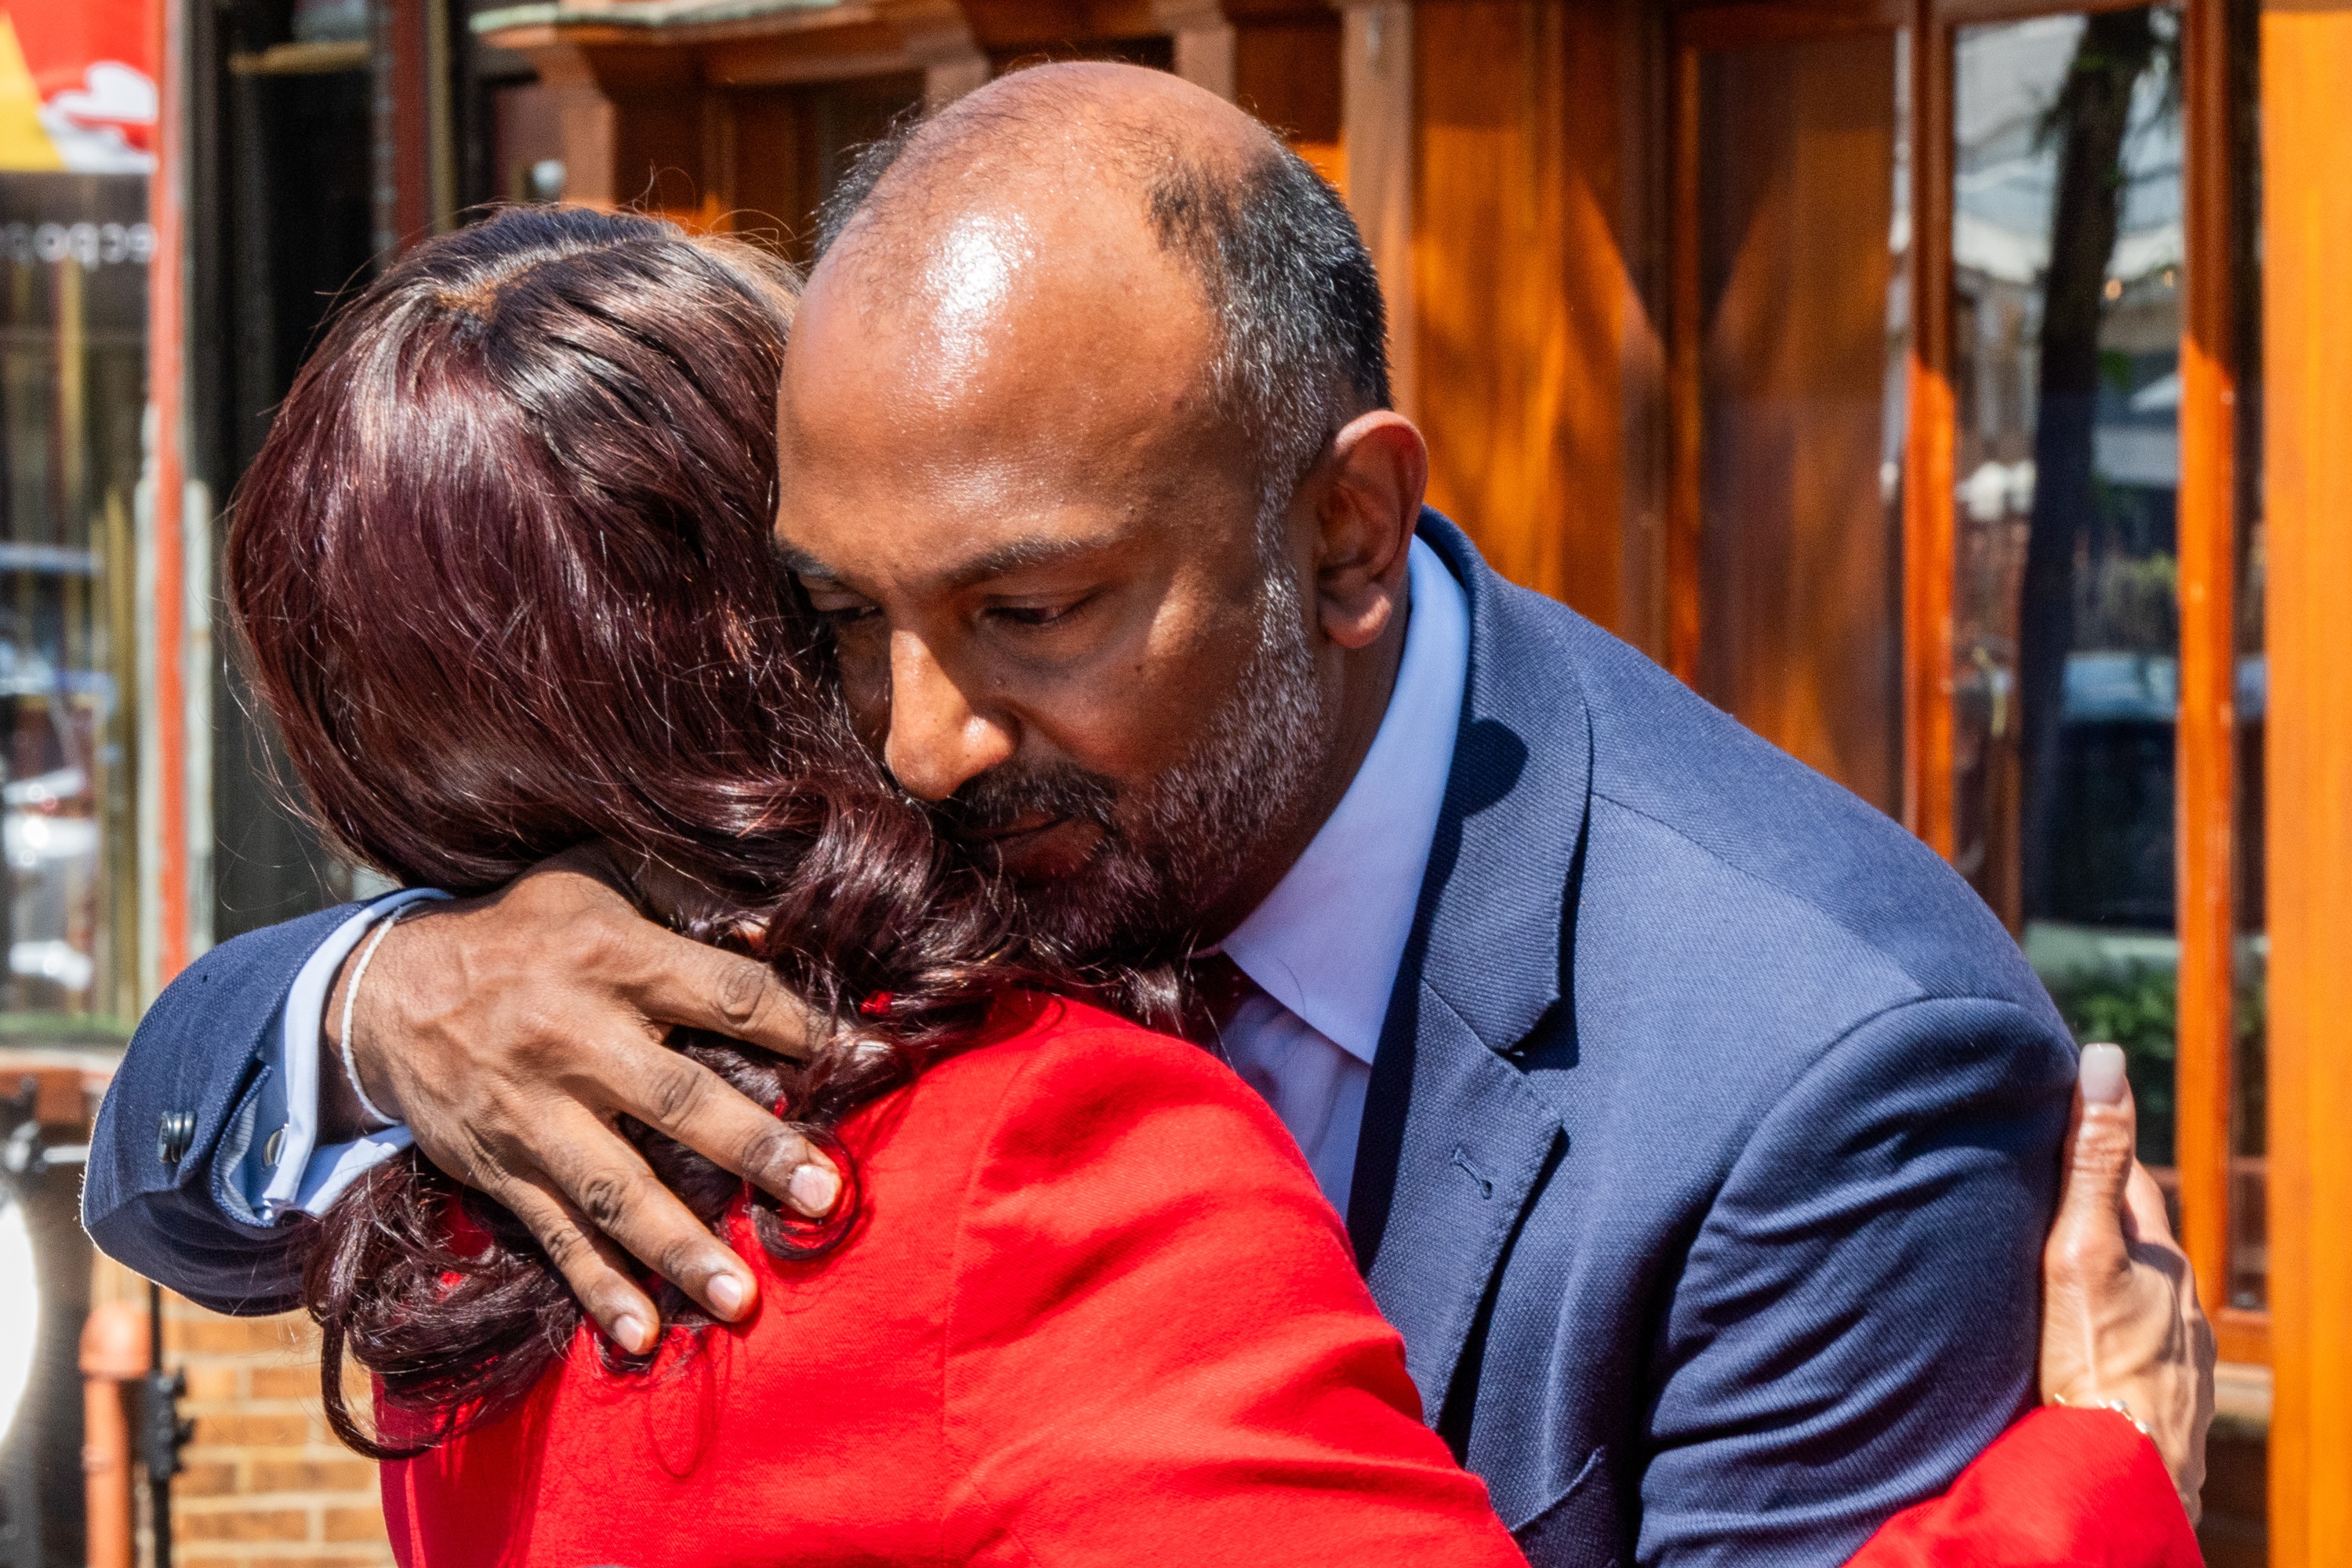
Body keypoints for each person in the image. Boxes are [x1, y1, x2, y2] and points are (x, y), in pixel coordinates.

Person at [85, 68, 2212, 1563]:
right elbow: (174, 1164)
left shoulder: (1815, 1063)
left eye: (1030, 610)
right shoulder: (623, 1041)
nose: (918, 735)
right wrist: (368, 995)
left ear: (1352, 530)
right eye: (837, 619)